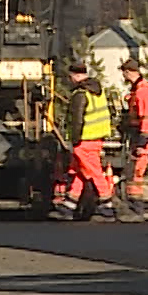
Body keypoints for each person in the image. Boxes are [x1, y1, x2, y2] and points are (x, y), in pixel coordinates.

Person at [51, 61, 122, 221]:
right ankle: (69, 205)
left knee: (93, 172)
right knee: (79, 172)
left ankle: (107, 204)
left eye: (71, 77)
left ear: (76, 76)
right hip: (97, 138)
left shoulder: (80, 94)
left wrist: (74, 140)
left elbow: (77, 120)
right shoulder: (98, 91)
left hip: (84, 140)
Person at [119, 57, 148, 216]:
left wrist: (143, 140)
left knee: (135, 173)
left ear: (129, 72)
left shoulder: (143, 91)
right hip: (142, 135)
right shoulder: (138, 90)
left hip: (143, 137)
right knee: (142, 172)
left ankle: (136, 209)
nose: (123, 77)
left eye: (124, 73)